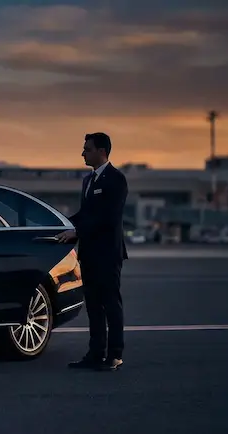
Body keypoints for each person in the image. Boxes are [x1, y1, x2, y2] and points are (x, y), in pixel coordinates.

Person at [55, 132, 128, 371]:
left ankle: (115, 355)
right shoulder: (88, 181)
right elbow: (85, 214)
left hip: (107, 254)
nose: (83, 153)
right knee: (94, 306)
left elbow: (107, 218)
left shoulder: (116, 179)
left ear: (102, 151)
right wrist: (62, 224)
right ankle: (95, 353)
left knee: (111, 304)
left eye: (87, 149)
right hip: (89, 254)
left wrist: (77, 232)